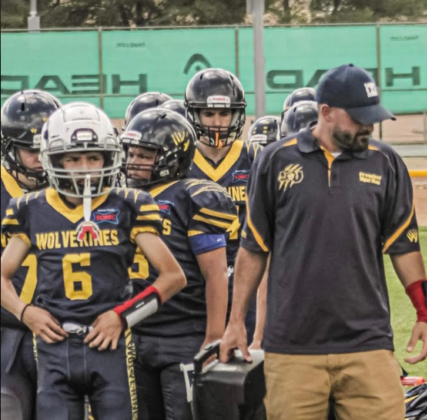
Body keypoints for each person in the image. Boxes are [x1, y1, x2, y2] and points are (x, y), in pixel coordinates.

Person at [220, 64, 427, 420]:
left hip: (368, 345)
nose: (368, 126)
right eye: (359, 118)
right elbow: (253, 249)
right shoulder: (275, 161)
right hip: (292, 349)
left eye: (373, 117)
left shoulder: (386, 163)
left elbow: (405, 247)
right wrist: (235, 326)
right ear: (325, 113)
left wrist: (425, 314)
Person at [0, 102, 186, 420]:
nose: (84, 167)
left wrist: (124, 316)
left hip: (111, 346)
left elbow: (173, 277)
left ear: (109, 158)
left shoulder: (129, 205)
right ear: (53, 159)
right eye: (73, 158)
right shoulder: (30, 208)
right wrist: (25, 312)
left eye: (93, 157)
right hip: (53, 347)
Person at [121, 108, 238, 420]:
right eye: (131, 153)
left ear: (172, 156)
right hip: (137, 333)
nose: (134, 161)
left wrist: (213, 337)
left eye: (145, 155)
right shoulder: (121, 196)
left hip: (184, 333)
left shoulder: (193, 196)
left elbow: (216, 275)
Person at [184, 68, 263, 338]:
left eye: (224, 113)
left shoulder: (256, 158)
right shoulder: (179, 160)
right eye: (208, 113)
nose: (217, 122)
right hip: (195, 280)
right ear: (194, 114)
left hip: (248, 276)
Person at [0, 89, 61, 420]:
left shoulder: (78, 187)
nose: (41, 157)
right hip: (7, 332)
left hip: (64, 330)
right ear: (10, 148)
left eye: (47, 149)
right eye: (31, 150)